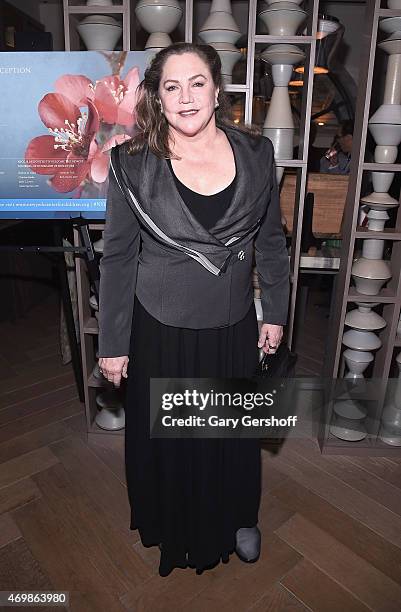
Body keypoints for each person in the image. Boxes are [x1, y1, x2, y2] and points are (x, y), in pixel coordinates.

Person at [97, 42, 290, 577]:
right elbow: (117, 257)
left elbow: (272, 242)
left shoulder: (256, 153)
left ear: (216, 88)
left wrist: (274, 310)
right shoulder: (131, 165)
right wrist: (112, 344)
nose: (186, 98)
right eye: (172, 86)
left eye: (197, 83)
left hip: (233, 325)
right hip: (160, 327)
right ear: (157, 96)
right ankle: (174, 525)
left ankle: (238, 517)